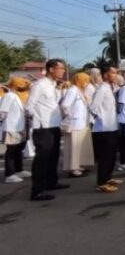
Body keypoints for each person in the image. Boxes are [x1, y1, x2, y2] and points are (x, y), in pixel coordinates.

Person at [25, 59, 70, 201]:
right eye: (60, 68)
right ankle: (37, 190)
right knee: (42, 159)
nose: (63, 71)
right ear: (51, 69)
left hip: (54, 125)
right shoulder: (39, 85)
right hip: (43, 127)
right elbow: (29, 106)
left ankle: (51, 182)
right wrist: (38, 120)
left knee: (53, 156)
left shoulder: (53, 86)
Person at [89, 65, 121, 193]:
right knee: (105, 157)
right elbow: (93, 107)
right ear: (105, 74)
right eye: (113, 73)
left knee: (111, 155)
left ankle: (108, 178)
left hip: (111, 127)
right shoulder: (102, 88)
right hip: (103, 129)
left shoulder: (109, 88)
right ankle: (101, 182)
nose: (115, 75)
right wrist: (101, 118)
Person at [60, 73, 94, 178]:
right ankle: (73, 168)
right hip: (74, 124)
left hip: (82, 123)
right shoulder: (72, 90)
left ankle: (78, 165)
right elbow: (65, 105)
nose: (86, 83)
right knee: (73, 147)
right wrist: (71, 116)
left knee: (80, 147)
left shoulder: (80, 91)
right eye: (84, 80)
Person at [0, 77, 31, 183]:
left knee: (19, 149)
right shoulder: (9, 96)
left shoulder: (17, 95)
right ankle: (9, 174)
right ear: (15, 85)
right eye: (21, 84)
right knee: (11, 151)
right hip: (11, 127)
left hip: (20, 127)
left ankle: (19, 169)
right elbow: (2, 112)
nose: (23, 87)